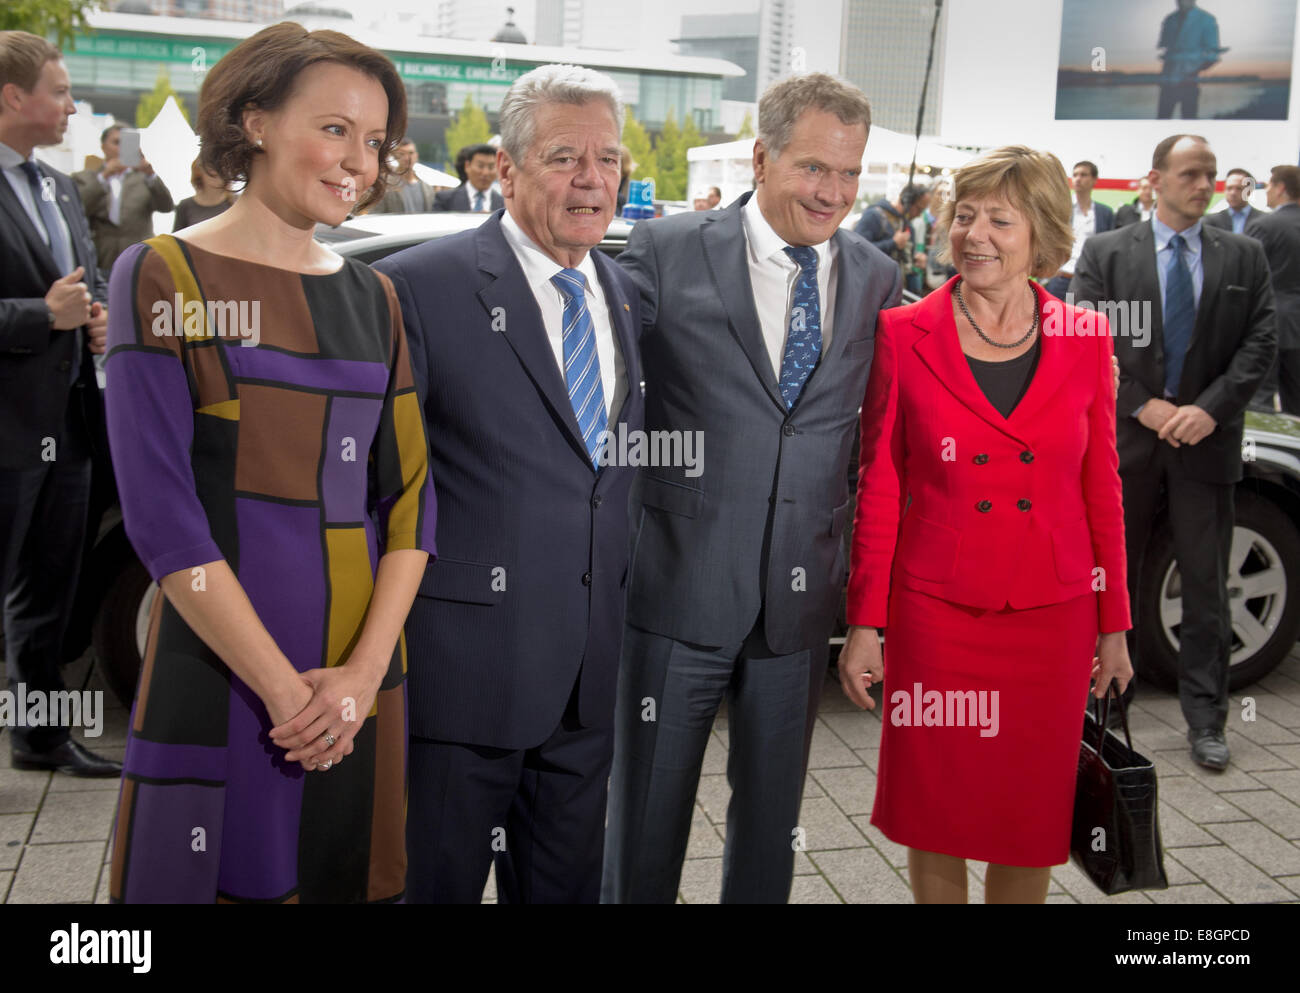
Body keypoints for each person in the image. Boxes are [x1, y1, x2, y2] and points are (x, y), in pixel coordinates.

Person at [103, 21, 436, 903]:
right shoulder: (164, 276)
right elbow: (163, 517)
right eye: (334, 129)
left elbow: (410, 505)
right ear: (254, 121)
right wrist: (286, 694)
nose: (357, 161)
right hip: (227, 678)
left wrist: (360, 679)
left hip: (361, 685)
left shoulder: (378, 298)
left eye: (373, 142)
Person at [602, 72, 901, 904]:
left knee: (773, 827)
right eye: (814, 169)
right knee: (645, 822)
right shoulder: (664, 247)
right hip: (675, 589)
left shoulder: (876, 273)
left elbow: (878, 434)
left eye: (850, 174)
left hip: (800, 605)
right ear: (763, 157)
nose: (833, 193)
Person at [374, 63, 643, 904]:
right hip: (465, 680)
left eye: (609, 159)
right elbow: (385, 487)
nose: (592, 179)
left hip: (588, 680)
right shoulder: (422, 287)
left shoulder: (627, 296)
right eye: (566, 156)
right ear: (507, 166)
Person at [839, 145, 1133, 904]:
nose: (976, 234)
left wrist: (1115, 625)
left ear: (1039, 233)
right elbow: (880, 486)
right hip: (939, 612)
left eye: (1000, 219)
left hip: (1053, 616)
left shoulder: (1087, 337)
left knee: (1027, 811)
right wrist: (867, 622)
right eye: (964, 215)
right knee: (936, 809)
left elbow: (1103, 490)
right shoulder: (904, 333)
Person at [1071, 134, 1276, 772]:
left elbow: (1260, 340)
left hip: (1205, 443)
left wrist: (1206, 409)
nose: (1205, 183)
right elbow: (1087, 338)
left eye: (1211, 173)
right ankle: (1103, 708)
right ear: (1154, 179)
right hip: (1126, 445)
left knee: (1207, 585)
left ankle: (1207, 720)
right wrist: (1144, 405)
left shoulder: (1244, 255)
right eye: (1191, 173)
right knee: (1113, 579)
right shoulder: (1108, 252)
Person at [0, 31, 118, 777]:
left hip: (68, 427)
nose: (72, 106)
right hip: (6, 431)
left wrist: (100, 315)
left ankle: (40, 738)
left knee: (48, 592)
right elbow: (49, 302)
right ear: (14, 98)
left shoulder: (58, 184)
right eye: (61, 91)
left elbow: (90, 279)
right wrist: (43, 316)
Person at [72, 124, 174, 274]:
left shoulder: (144, 179)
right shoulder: (86, 178)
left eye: (127, 143)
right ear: (103, 146)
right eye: (116, 142)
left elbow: (166, 206)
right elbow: (78, 209)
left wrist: (150, 173)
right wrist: (104, 177)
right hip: (101, 258)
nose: (121, 148)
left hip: (139, 258)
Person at [1245, 165, 1300, 414]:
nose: (1266, 190)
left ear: (1280, 188)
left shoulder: (1265, 226)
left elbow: (1245, 279)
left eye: (1268, 185)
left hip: (1268, 324)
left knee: (1260, 402)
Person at [1044, 160, 1114, 299]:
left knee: (1085, 321)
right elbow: (1046, 239)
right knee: (1052, 320)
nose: (1078, 179)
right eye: (1075, 175)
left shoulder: (1104, 213)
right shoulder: (1060, 209)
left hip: (1090, 282)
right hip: (1061, 279)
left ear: (1094, 180)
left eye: (1083, 175)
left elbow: (1108, 248)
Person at [1157, 0, 1224, 120]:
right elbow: (1164, 47)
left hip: (1190, 83)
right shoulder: (1170, 19)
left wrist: (1193, 72)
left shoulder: (1207, 19)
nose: (1180, 2)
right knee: (1162, 120)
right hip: (1167, 82)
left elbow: (1213, 55)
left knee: (1189, 121)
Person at [855, 182, 929, 286]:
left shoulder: (908, 225)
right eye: (919, 209)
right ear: (908, 202)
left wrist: (914, 259)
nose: (919, 214)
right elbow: (857, 251)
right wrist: (893, 243)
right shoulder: (874, 216)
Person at [366, 137, 435, 213]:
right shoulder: (385, 186)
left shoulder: (427, 188)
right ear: (396, 157)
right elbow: (375, 215)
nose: (407, 158)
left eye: (411, 153)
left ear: (416, 156)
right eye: (402, 154)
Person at [432, 142, 502, 212]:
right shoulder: (445, 200)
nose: (485, 172)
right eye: (480, 166)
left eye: (491, 167)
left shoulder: (504, 204)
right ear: (467, 166)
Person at [171, 157, 233, 230]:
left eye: (221, 167)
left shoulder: (238, 201)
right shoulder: (185, 206)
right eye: (211, 168)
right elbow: (176, 239)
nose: (216, 172)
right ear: (199, 172)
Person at [1204, 168, 1263, 234]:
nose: (1233, 193)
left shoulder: (1263, 220)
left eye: (1238, 188)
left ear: (1249, 192)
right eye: (1229, 188)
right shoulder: (1210, 222)